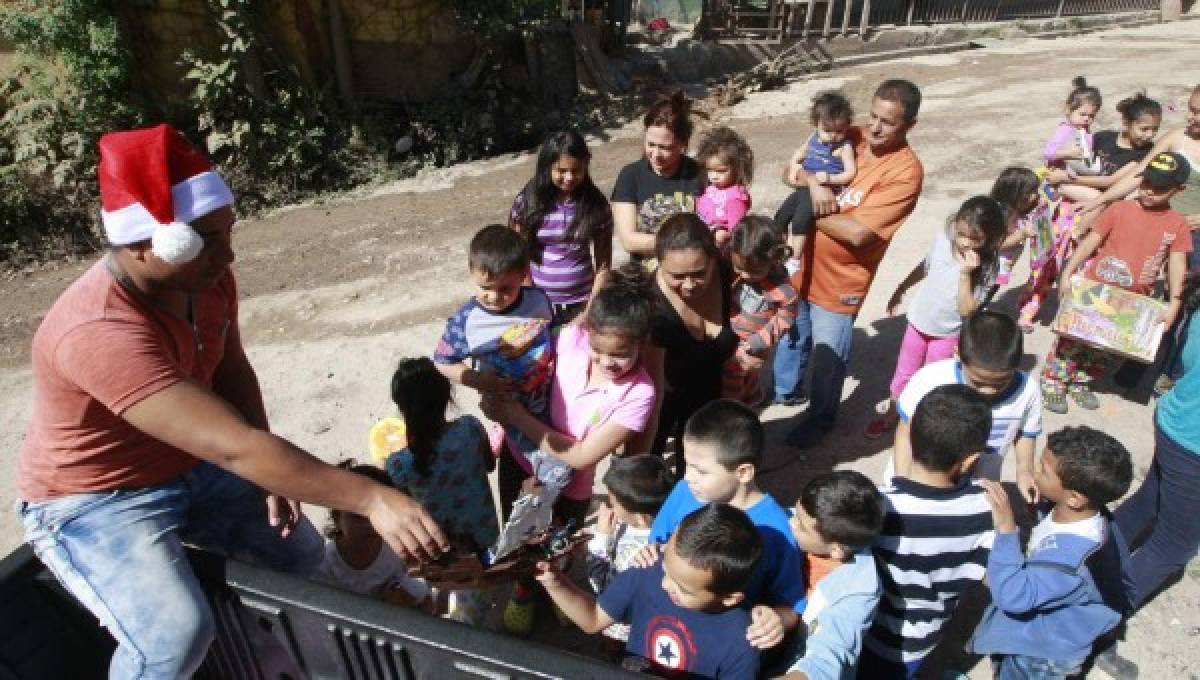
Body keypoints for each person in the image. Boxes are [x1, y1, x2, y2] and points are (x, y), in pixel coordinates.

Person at [15, 124, 446, 679]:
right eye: (206, 241)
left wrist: (271, 478)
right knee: (175, 639)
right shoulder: (98, 330)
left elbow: (231, 370)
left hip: (192, 463)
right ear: (142, 245)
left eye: (228, 232)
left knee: (302, 565)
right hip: (97, 498)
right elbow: (236, 448)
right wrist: (371, 498)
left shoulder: (205, 280)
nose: (228, 254)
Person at [481, 263, 657, 634]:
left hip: (572, 485)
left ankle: (559, 590)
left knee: (557, 545)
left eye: (620, 355)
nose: (607, 362)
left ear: (642, 342)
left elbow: (580, 456)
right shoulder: (571, 339)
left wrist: (514, 415)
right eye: (598, 350)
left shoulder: (640, 394)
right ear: (587, 335)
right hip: (520, 460)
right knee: (520, 536)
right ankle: (525, 589)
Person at [771, 79, 925, 443]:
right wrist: (812, 183)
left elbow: (859, 233)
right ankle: (784, 393)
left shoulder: (905, 172)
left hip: (842, 282)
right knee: (793, 336)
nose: (874, 127)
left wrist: (804, 212)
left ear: (910, 126)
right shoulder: (848, 134)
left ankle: (820, 420)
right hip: (802, 266)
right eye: (873, 116)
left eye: (887, 122)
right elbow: (788, 172)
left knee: (829, 358)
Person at [969, 428, 1134, 680]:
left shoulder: (1069, 560)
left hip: (1041, 654)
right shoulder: (1090, 517)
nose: (1035, 472)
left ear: (1075, 498)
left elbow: (1013, 596)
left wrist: (1006, 528)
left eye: (1043, 470)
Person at [647, 399, 807, 652]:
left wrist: (777, 621)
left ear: (743, 472)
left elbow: (791, 604)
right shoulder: (684, 491)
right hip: (665, 623)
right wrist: (651, 550)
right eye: (687, 464)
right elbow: (656, 540)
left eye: (700, 470)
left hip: (720, 644)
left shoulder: (776, 530)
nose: (687, 477)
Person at [859, 384, 996, 679]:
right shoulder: (986, 512)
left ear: (910, 436)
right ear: (971, 459)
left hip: (867, 627)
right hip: (922, 639)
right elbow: (988, 574)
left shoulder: (880, 504)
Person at [538, 503, 763, 678]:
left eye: (682, 588)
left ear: (729, 598)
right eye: (665, 568)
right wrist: (554, 581)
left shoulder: (743, 643)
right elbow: (593, 619)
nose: (665, 584)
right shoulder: (647, 572)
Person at [1042, 151, 1192, 414]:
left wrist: (1174, 302)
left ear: (1178, 189)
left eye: (1159, 189)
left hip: (1131, 303)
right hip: (1095, 290)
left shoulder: (1178, 224)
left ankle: (1080, 381)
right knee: (1073, 340)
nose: (1148, 192)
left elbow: (1177, 265)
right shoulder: (1119, 208)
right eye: (1146, 184)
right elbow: (1091, 242)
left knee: (1105, 348)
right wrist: (1068, 272)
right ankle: (1054, 381)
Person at [432, 224, 561, 491]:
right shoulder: (467, 321)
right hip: (506, 404)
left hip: (547, 394)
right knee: (550, 471)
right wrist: (481, 382)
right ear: (472, 273)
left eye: (506, 289)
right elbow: (443, 362)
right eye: (485, 287)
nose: (494, 297)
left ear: (524, 276)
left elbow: (553, 330)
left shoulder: (538, 300)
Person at [869, 196, 1007, 437]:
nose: (965, 242)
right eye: (961, 233)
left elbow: (967, 311)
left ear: (990, 238)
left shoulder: (987, 267)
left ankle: (919, 424)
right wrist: (902, 287)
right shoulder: (944, 240)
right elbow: (926, 266)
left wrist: (966, 273)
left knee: (933, 382)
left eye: (975, 238)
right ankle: (892, 413)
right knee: (904, 374)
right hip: (918, 323)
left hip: (948, 334)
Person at [384, 358, 499, 624]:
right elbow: (490, 465)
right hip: (485, 539)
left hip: (438, 550)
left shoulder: (400, 464)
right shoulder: (470, 428)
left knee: (444, 603)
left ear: (402, 409)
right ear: (447, 396)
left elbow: (402, 507)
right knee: (474, 605)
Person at [890, 311, 1042, 503]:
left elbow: (1026, 431)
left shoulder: (1028, 390)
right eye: (977, 382)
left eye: (1000, 382)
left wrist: (1024, 469)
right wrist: (905, 480)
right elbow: (905, 431)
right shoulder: (929, 380)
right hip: (920, 477)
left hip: (979, 484)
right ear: (957, 355)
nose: (988, 391)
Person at [1114, 269, 1200, 608]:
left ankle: (1086, 563)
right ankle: (1096, 620)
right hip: (1193, 445)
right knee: (1173, 545)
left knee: (1148, 502)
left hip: (1174, 422)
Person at [640, 213, 738, 471]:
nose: (690, 285)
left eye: (699, 273)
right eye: (678, 276)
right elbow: (654, 389)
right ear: (659, 263)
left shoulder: (727, 273)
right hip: (663, 405)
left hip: (711, 400)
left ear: (713, 259)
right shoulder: (652, 306)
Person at [778, 471, 885, 680]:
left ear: (836, 550)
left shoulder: (860, 591)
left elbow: (828, 656)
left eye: (802, 525)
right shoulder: (806, 521)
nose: (791, 523)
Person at [510, 130, 613, 326]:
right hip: (537, 305)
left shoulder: (597, 206)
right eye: (561, 171)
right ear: (547, 167)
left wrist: (590, 312)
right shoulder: (528, 202)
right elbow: (518, 258)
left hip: (582, 305)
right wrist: (532, 304)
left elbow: (603, 266)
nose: (569, 177)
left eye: (576, 171)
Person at [313, 461, 435, 612]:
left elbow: (419, 586)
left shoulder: (396, 546)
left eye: (377, 518)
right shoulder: (326, 565)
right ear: (338, 519)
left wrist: (414, 598)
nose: (368, 526)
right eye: (357, 518)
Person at [586, 454, 675, 644]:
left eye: (614, 504)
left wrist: (600, 540)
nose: (608, 507)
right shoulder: (672, 530)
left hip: (624, 628)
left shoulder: (638, 555)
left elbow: (602, 586)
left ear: (639, 517)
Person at [612, 90, 705, 258]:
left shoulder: (698, 173)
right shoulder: (630, 175)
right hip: (646, 273)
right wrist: (680, 244)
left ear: (683, 143)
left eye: (665, 147)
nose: (655, 154)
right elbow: (628, 240)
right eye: (651, 144)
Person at [722, 216, 800, 406]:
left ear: (773, 260)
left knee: (740, 378)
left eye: (754, 271)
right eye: (739, 268)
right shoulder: (731, 267)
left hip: (753, 343)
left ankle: (734, 410)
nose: (745, 276)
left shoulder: (783, 290)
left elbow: (785, 319)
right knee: (732, 377)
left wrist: (758, 342)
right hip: (729, 336)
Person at [779, 91, 859, 267]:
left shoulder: (844, 147)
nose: (833, 136)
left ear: (847, 126)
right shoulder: (813, 137)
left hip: (824, 190)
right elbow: (801, 152)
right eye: (827, 130)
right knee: (781, 217)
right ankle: (781, 251)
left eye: (840, 131)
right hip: (805, 187)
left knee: (800, 221)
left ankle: (794, 261)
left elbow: (850, 173)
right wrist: (794, 164)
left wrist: (830, 178)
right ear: (816, 124)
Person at [1042, 76, 1105, 203]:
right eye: (1082, 114)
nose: (1087, 119)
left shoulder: (1084, 130)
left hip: (1077, 176)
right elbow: (1048, 153)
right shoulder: (1064, 130)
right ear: (1068, 109)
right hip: (1061, 178)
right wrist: (1068, 153)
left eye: (1091, 116)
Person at [694, 125, 755, 248]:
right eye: (710, 170)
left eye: (721, 171)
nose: (714, 176)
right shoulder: (710, 188)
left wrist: (722, 235)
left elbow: (736, 231)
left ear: (737, 168)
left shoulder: (735, 197)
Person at [988, 166, 1043, 292]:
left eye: (1035, 190)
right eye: (1031, 192)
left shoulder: (1017, 208)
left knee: (993, 289)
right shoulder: (1000, 214)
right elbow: (997, 244)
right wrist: (1021, 235)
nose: (1035, 196)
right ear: (1015, 193)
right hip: (992, 266)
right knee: (987, 289)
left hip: (1005, 263)